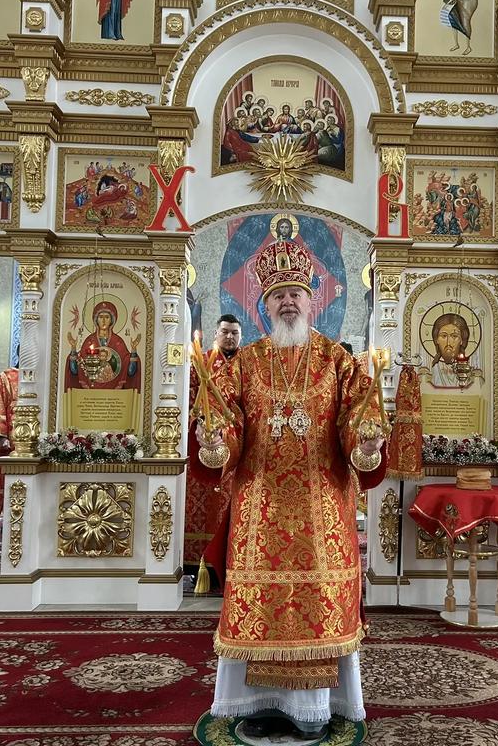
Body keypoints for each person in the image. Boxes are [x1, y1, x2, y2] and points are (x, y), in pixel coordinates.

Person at [192, 238, 386, 740]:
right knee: (260, 605)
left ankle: (314, 709)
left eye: (295, 293)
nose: (288, 302)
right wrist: (215, 440)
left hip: (322, 510)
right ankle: (259, 702)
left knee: (317, 606)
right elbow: (229, 424)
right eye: (278, 295)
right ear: (265, 304)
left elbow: (354, 422)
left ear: (311, 298)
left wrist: (365, 443)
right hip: (259, 510)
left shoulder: (337, 361)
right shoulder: (246, 361)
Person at [184, 315, 242, 574]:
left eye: (234, 333)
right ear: (215, 333)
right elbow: (189, 400)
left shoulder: (246, 363)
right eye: (225, 332)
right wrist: (201, 422)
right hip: (204, 440)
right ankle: (197, 563)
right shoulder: (200, 362)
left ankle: (230, 563)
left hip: (235, 444)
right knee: (202, 501)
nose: (229, 337)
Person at [0, 355, 19, 517]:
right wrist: (2, 436)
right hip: (12, 439)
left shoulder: (44, 378)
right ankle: (7, 517)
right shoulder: (6, 378)